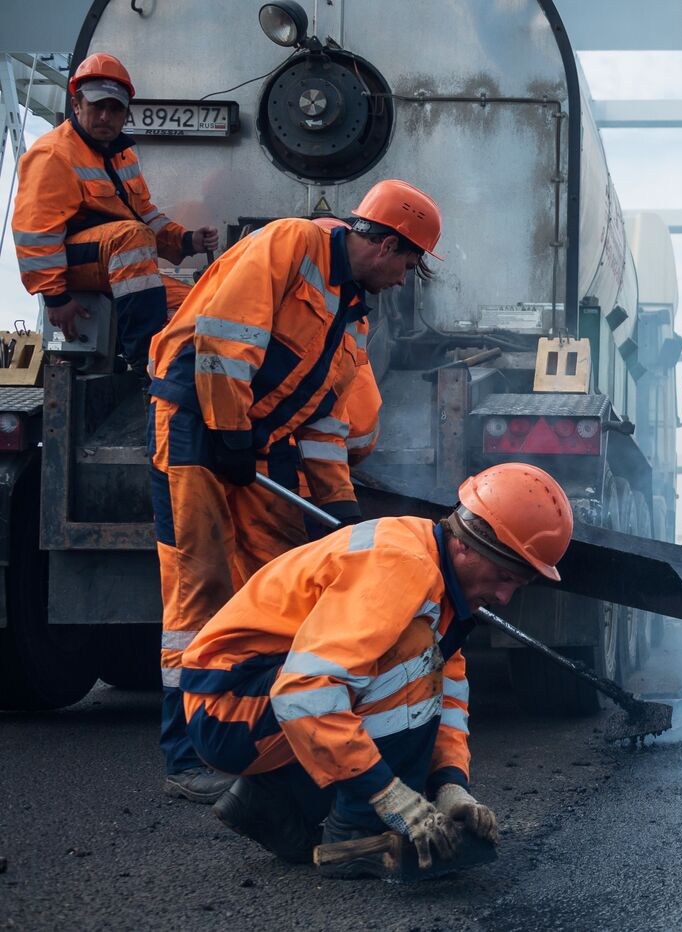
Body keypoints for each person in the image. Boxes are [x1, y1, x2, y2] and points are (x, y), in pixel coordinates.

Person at [145, 179, 442, 803]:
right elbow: (224, 341)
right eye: (410, 265)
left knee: (278, 583)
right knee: (199, 585)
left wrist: (341, 513)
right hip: (198, 426)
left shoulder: (355, 318)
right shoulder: (290, 243)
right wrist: (227, 432)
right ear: (387, 245)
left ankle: (273, 738)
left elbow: (326, 423)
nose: (405, 280)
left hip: (258, 445)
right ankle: (186, 754)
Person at [180, 464, 572, 878]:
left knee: (422, 660)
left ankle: (269, 801)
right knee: (410, 654)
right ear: (467, 547)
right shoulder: (403, 568)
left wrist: (450, 784)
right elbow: (305, 691)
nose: (505, 597)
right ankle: (355, 837)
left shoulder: (437, 576)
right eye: (503, 577)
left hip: (251, 695)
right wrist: (388, 797)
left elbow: (447, 691)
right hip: (228, 708)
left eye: (518, 585)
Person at [10, 53, 217, 369]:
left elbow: (145, 214)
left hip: (112, 257)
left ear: (124, 114)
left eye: (115, 109)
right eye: (97, 106)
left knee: (199, 303)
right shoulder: (53, 154)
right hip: (75, 262)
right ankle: (143, 361)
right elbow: (35, 233)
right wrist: (55, 298)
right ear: (77, 105)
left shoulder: (123, 157)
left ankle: (178, 369)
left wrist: (187, 240)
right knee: (131, 237)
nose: (106, 116)